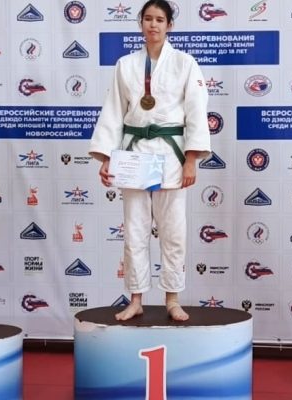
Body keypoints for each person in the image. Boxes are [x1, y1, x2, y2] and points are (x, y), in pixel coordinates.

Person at [89, 0, 210, 322]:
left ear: (170, 25)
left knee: (173, 232)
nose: (153, 25)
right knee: (134, 231)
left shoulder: (185, 63)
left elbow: (197, 112)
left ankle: (172, 298)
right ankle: (136, 298)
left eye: (159, 19)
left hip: (171, 154)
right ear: (140, 23)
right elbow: (113, 111)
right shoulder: (125, 64)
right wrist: (106, 158)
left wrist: (191, 159)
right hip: (134, 155)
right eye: (147, 19)